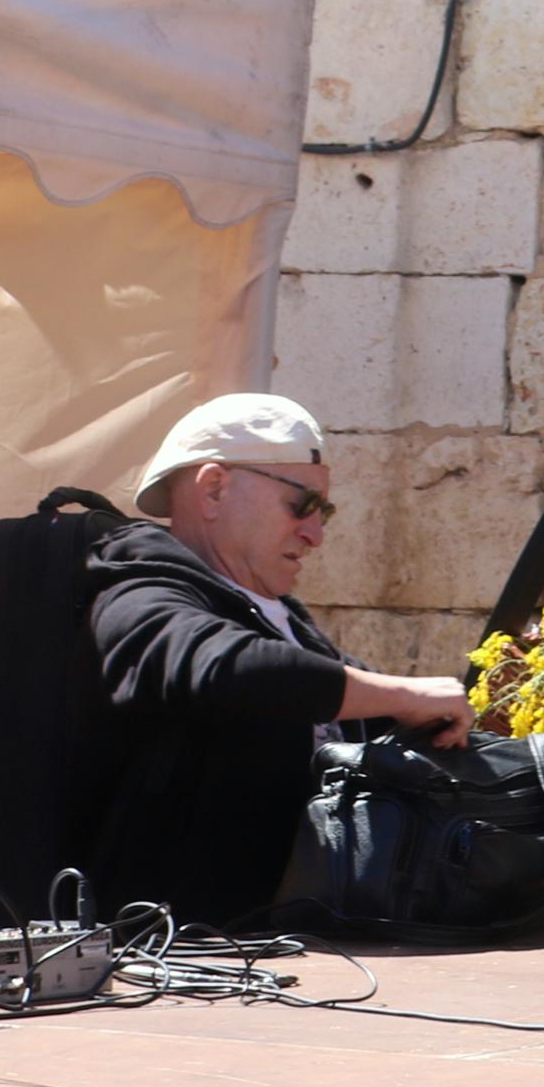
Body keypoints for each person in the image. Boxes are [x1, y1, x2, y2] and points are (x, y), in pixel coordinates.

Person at [85, 394, 473, 924]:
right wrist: (402, 695)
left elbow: (332, 691)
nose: (315, 535)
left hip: (298, 941)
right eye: (302, 506)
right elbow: (228, 669)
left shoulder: (276, 617)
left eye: (324, 512)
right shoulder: (139, 592)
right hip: (197, 952)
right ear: (214, 490)